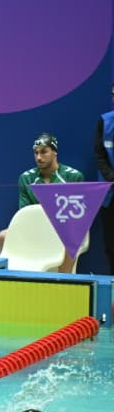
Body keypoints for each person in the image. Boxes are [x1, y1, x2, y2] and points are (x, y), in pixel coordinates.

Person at [0, 133, 85, 273]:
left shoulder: (73, 176)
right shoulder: (26, 178)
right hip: (35, 229)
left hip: (62, 231)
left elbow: (75, 217)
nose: (39, 157)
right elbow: (25, 212)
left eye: (44, 152)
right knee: (4, 235)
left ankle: (65, 280)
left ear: (54, 152)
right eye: (36, 153)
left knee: (72, 239)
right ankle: (9, 278)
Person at [92, 83, 114, 274]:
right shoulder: (104, 122)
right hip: (110, 196)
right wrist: (111, 176)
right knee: (110, 243)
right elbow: (99, 154)